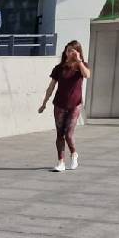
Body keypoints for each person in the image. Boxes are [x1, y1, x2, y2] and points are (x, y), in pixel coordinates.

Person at [37, 40, 91, 173]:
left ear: (78, 52)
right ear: (65, 52)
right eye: (68, 50)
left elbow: (87, 75)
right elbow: (51, 87)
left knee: (69, 134)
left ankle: (74, 154)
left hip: (75, 105)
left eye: (73, 50)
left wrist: (78, 61)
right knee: (60, 134)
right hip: (59, 104)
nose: (70, 53)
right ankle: (60, 162)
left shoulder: (81, 67)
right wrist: (44, 103)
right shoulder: (59, 68)